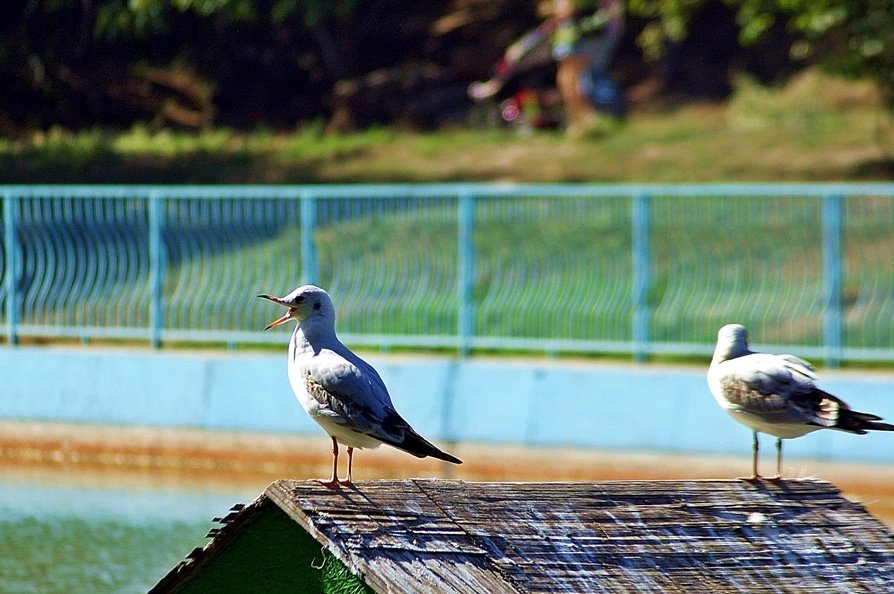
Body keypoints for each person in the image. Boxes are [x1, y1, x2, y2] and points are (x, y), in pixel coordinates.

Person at [552, 0, 625, 136]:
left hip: (569, 35)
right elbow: (565, 9)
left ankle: (579, 120)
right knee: (574, 77)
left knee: (570, 77)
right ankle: (583, 117)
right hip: (574, 36)